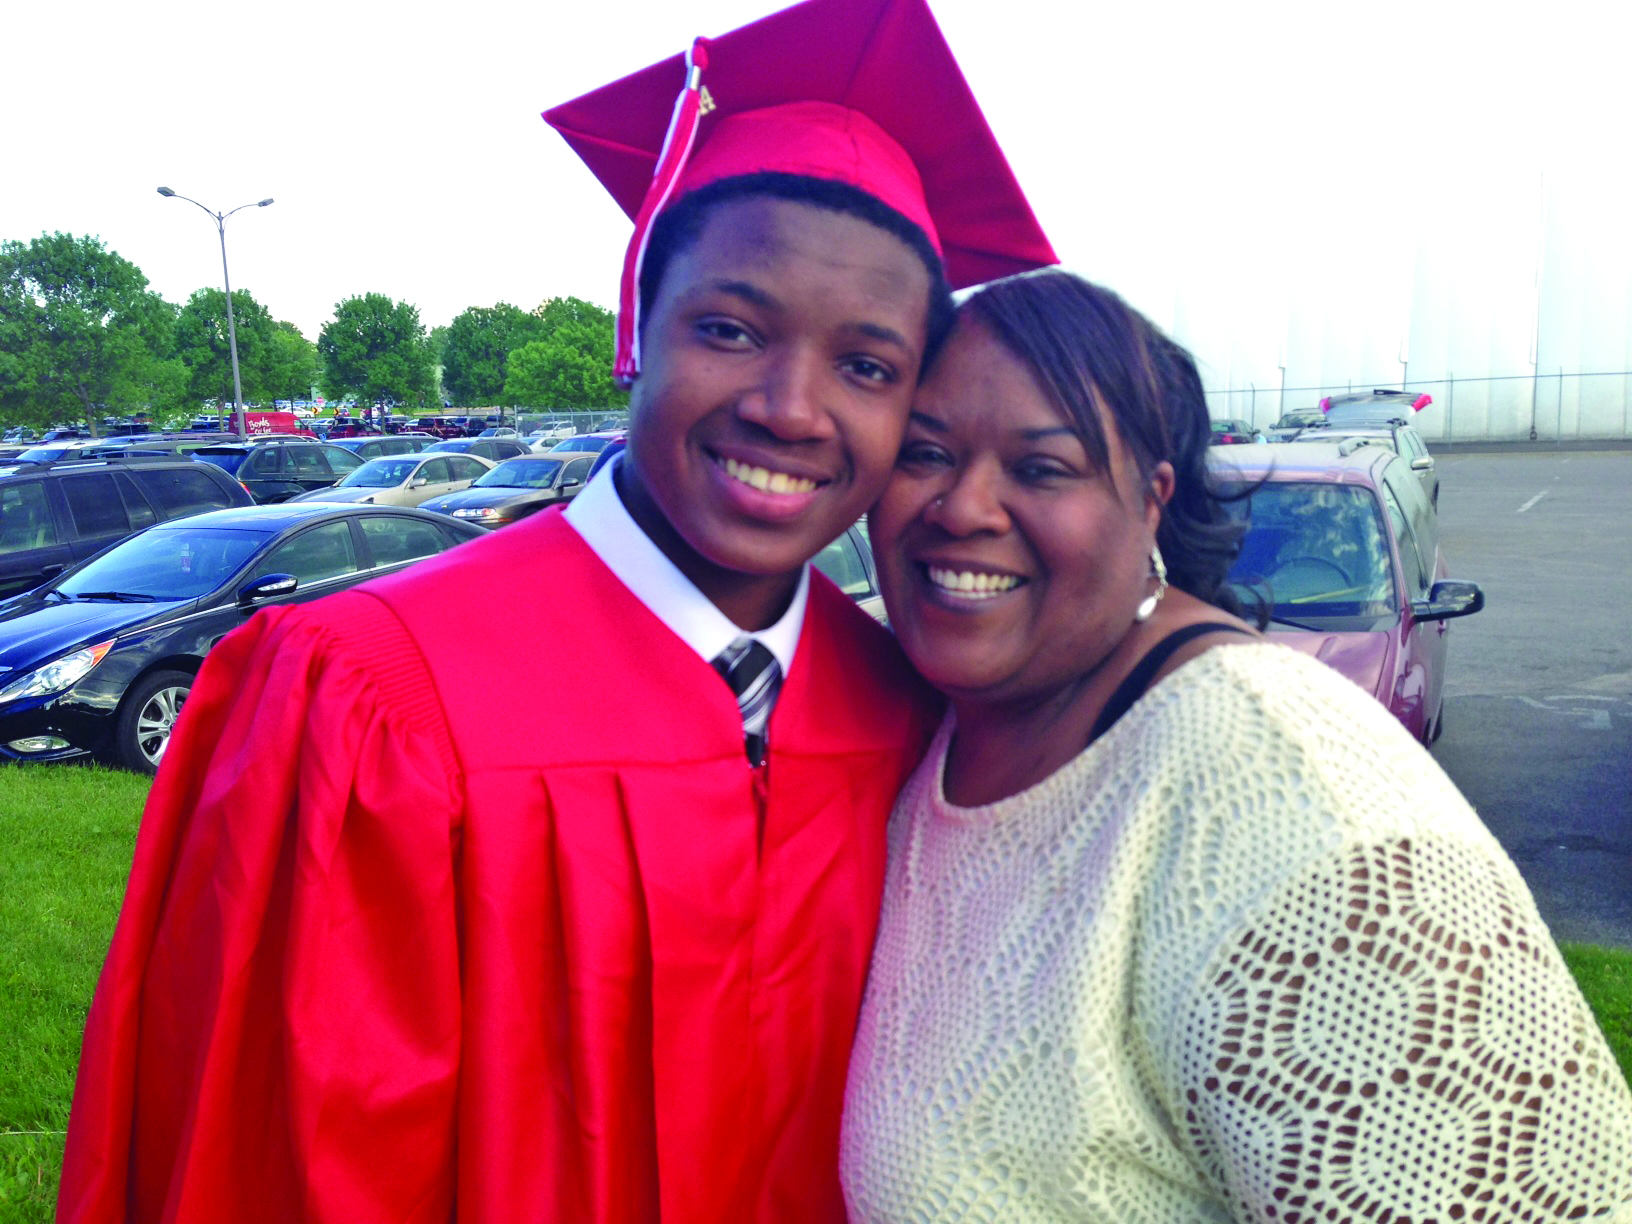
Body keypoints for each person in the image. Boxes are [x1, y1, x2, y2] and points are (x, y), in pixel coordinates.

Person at [55, 2, 1055, 1221]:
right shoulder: (367, 696)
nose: (794, 408)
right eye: (732, 329)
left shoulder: (899, 713)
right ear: (639, 323)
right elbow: (275, 1166)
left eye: (867, 366)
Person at [840, 269, 1632, 1220]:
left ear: (1151, 502)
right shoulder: (937, 735)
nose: (963, 507)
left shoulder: (1291, 800)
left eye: (1042, 466)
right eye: (923, 453)